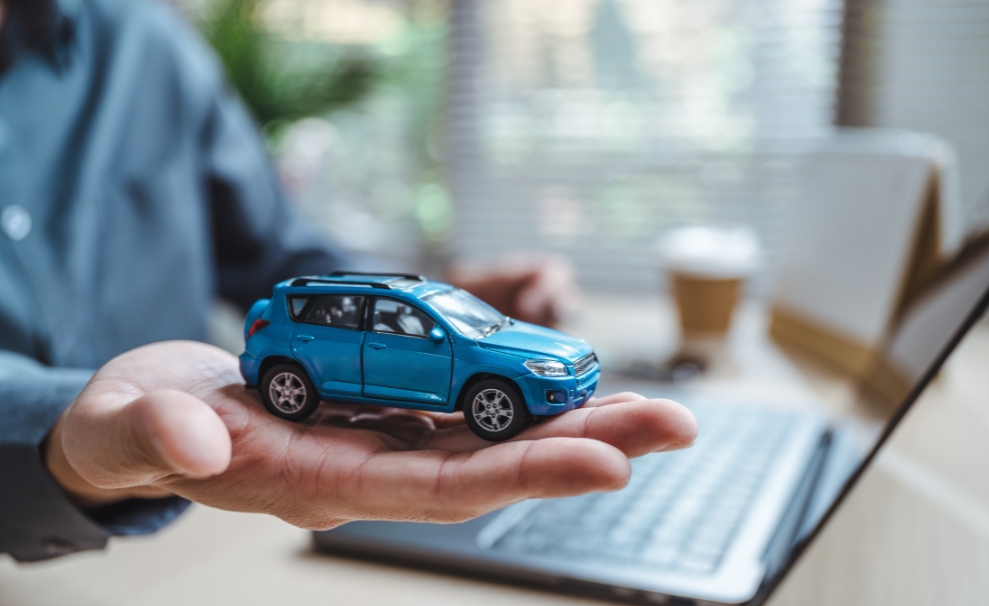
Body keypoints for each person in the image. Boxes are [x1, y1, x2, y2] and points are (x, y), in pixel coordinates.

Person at [0, 0, 697, 563]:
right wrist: (55, 427)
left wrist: (446, 294)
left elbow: (277, 249)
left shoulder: (143, 40)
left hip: (202, 538)